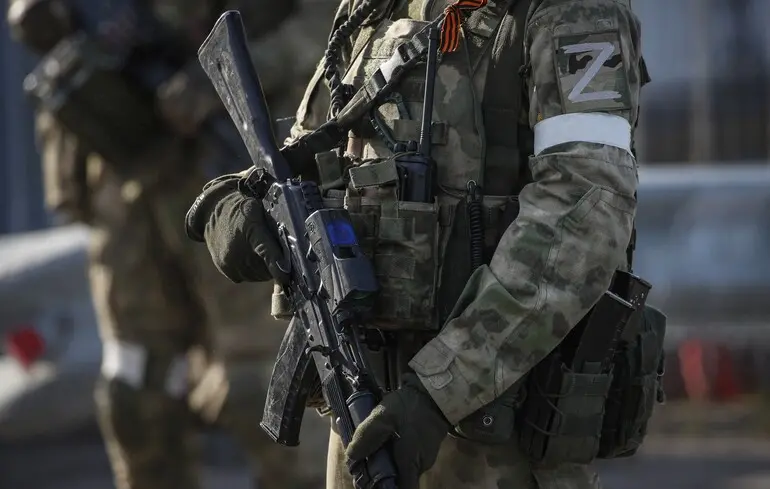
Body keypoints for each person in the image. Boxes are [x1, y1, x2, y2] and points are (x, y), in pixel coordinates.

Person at [186, 0, 653, 488]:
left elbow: (584, 213)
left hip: (497, 442)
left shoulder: (572, 12)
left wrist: (435, 394)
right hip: (367, 417)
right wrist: (242, 199)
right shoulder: (374, 7)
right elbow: (318, 150)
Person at [7, 0, 338, 488]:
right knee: (137, 386)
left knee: (261, 386)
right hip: (126, 169)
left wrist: (230, 74)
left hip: (229, 177)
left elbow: (328, 25)